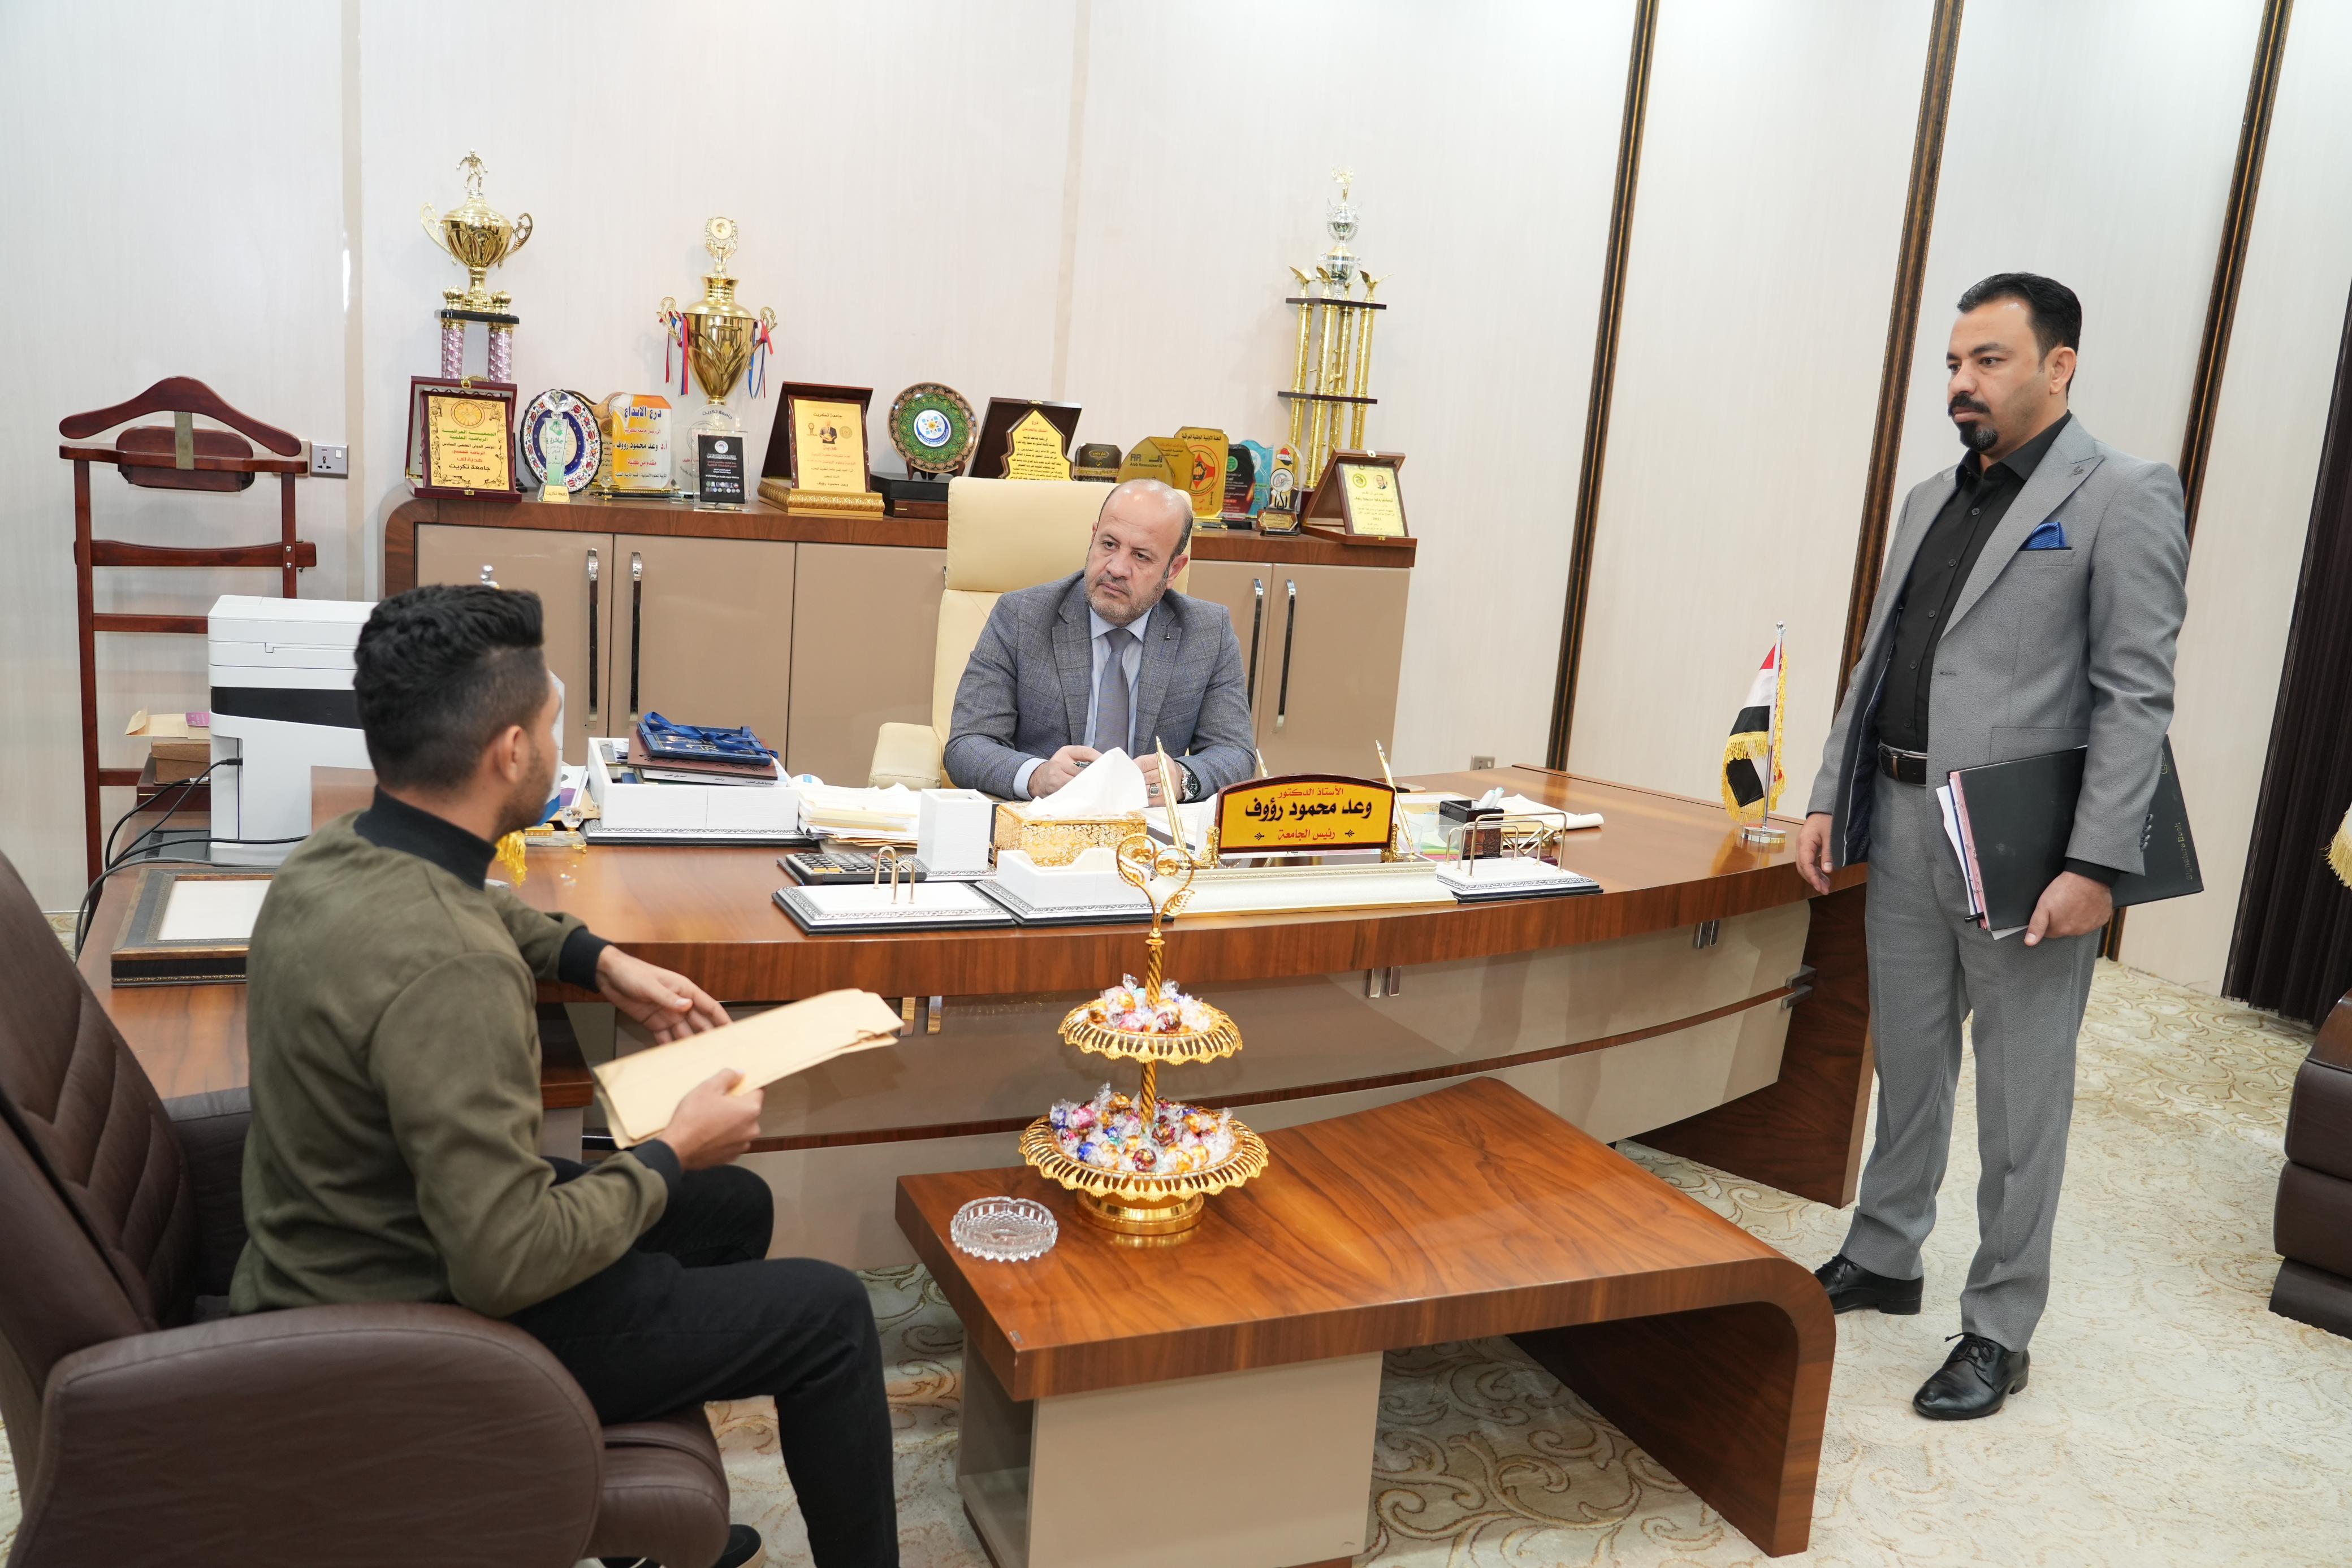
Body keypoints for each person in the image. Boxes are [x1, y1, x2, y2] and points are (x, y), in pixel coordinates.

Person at [231, 584, 898, 1568]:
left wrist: (596, 957)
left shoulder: (335, 853)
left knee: (733, 1207)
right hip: (424, 1326)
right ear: (509, 751)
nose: (557, 745)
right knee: (831, 1314)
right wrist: (673, 1149)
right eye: (551, 726)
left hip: (358, 1249)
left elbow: (476, 905)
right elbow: (506, 1260)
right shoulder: (454, 970)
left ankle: (644, 1531)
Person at [1797, 274, 2187, 1420]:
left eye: (1989, 360)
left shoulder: (2124, 494)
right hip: (1899, 815)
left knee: (2022, 1093)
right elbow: (1878, 660)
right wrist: (1827, 795)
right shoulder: (1931, 495)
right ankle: (1885, 1250)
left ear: (2059, 366)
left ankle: (2000, 1325)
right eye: (1954, 363)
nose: (1962, 383)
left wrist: (2097, 865)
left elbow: (2134, 696)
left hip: (2024, 846)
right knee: (1908, 1060)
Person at [944, 477, 1255, 805]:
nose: (1117, 568)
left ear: (1174, 570)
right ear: (1093, 538)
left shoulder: (1208, 632)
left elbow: (1235, 752)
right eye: (1109, 544)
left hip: (1148, 826)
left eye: (1141, 556)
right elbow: (966, 745)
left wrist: (1181, 779)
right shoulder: (1021, 617)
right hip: (1045, 823)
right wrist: (1037, 776)